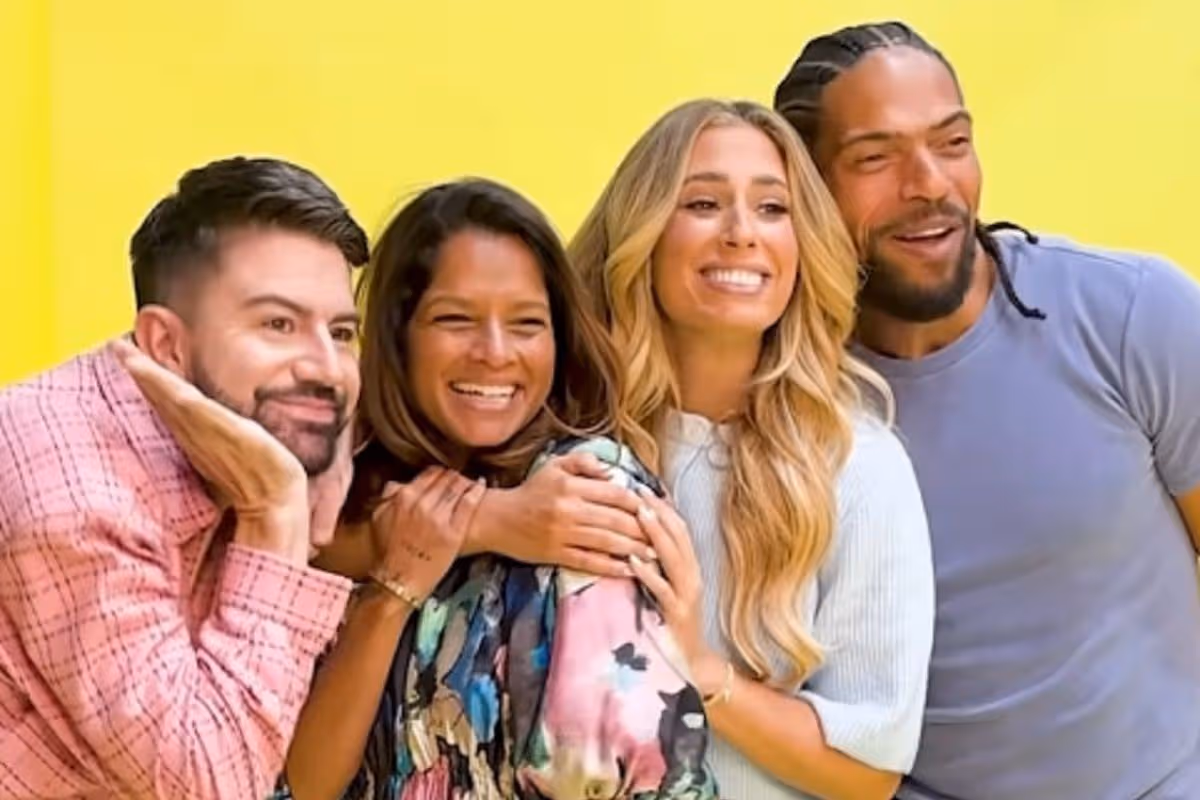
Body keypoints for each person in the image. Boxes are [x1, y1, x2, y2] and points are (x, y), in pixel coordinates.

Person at [773, 21, 1200, 800]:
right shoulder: (785, 401)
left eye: (953, 142)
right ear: (805, 188)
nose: (929, 183)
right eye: (875, 158)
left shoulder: (1133, 316)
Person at [281, 178, 717, 800]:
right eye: (455, 319)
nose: (494, 352)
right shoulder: (339, 488)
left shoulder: (585, 489)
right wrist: (409, 576)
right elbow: (304, 787)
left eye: (526, 323)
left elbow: (628, 776)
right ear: (397, 334)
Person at [570, 98, 935, 800]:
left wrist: (700, 668)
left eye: (772, 209)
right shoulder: (570, 444)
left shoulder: (857, 466)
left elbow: (869, 773)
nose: (741, 234)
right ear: (643, 231)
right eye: (703, 203)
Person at [0, 156, 369, 799]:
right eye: (278, 325)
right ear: (166, 345)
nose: (326, 369)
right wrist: (276, 515)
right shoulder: (79, 495)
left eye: (340, 333)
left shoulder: (237, 421)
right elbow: (213, 784)